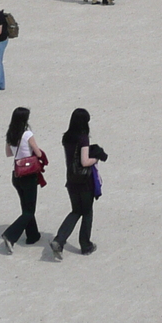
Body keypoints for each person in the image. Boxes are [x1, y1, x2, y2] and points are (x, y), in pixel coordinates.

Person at [50, 108, 103, 258]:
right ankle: (85, 245)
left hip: (71, 179)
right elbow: (85, 161)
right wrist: (96, 159)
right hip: (84, 181)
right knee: (87, 212)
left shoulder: (67, 137)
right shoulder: (83, 137)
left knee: (76, 210)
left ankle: (59, 240)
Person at [0, 107, 47, 253]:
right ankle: (10, 235)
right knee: (29, 211)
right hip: (29, 175)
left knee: (26, 207)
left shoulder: (10, 134)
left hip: (17, 175)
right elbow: (37, 152)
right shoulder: (27, 134)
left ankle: (33, 235)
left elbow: (8, 153)